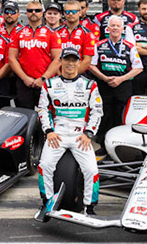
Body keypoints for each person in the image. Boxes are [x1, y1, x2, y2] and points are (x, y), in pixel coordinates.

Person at [36, 45, 104, 214]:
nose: (70, 63)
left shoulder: (90, 85)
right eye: (67, 59)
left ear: (79, 62)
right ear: (61, 61)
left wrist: (89, 133)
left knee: (91, 170)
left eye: (74, 60)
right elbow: (42, 109)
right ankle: (47, 202)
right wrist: (48, 131)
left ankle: (90, 206)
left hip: (80, 136)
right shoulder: (49, 85)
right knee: (44, 166)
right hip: (56, 135)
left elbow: (97, 111)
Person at [90, 14, 143, 133]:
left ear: (123, 29)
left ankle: (120, 141)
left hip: (123, 85)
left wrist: (121, 79)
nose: (115, 28)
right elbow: (91, 65)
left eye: (118, 26)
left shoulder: (130, 47)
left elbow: (139, 68)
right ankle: (103, 141)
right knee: (104, 113)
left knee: (121, 113)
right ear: (107, 29)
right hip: (104, 84)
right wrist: (104, 78)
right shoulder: (98, 45)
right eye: (112, 25)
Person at [8, 1, 56, 106]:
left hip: (45, 81)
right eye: (30, 10)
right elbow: (11, 58)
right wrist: (24, 78)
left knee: (46, 117)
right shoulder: (17, 32)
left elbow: (57, 60)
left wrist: (43, 78)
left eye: (37, 10)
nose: (33, 13)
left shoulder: (52, 33)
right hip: (24, 82)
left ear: (42, 13)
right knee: (25, 117)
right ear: (26, 13)